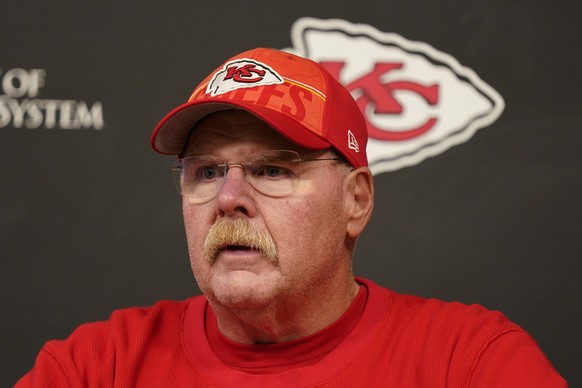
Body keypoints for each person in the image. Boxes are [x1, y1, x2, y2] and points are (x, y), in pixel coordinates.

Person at [17, 48, 567, 387]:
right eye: (206, 173)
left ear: (356, 200)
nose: (230, 197)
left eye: (273, 170)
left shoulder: (468, 363)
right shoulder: (97, 367)